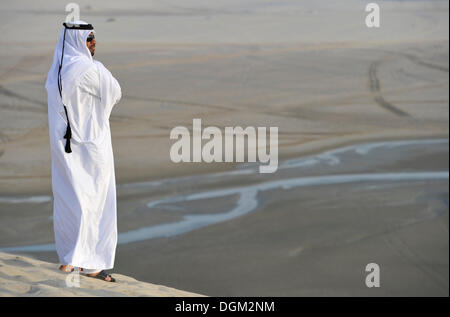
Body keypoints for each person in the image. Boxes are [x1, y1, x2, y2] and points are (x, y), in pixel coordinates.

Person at [45, 21, 122, 282]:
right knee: (95, 203)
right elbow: (115, 92)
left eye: (94, 38)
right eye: (89, 39)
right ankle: (92, 266)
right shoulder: (90, 70)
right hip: (92, 149)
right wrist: (99, 68)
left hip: (64, 148)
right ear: (78, 41)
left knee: (70, 201)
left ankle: (70, 260)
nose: (93, 43)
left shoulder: (56, 70)